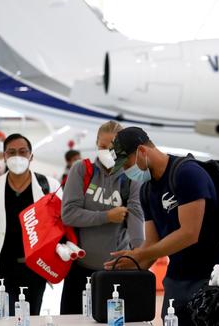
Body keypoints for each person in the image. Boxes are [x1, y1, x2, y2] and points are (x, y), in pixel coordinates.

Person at [103, 127, 219, 325]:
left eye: (126, 163)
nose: (125, 170)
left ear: (142, 151)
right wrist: (129, 263)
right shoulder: (146, 190)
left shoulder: (186, 173)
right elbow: (152, 245)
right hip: (176, 281)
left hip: (211, 278)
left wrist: (142, 254)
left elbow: (189, 233)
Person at [0, 133, 61, 316]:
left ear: (31, 156)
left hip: (35, 268)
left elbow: (61, 225)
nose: (17, 156)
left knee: (30, 317)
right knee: (1, 317)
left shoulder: (48, 186)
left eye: (22, 151)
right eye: (11, 152)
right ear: (4, 156)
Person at [60, 121, 144, 314]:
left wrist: (140, 257)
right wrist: (107, 216)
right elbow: (69, 214)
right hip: (80, 270)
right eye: (103, 147)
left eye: (114, 147)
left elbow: (136, 217)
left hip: (116, 272)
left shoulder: (132, 177)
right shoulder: (81, 170)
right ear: (96, 145)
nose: (108, 151)